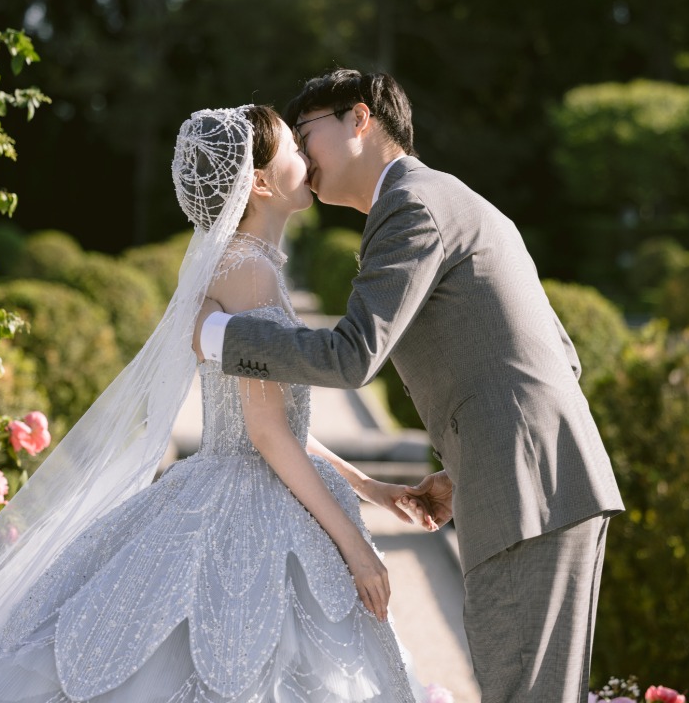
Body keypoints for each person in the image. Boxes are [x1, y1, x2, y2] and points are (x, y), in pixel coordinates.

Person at [0, 106, 431, 703]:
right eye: (295, 148)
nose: (307, 154)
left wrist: (374, 490)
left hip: (237, 476)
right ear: (262, 182)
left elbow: (276, 427)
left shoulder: (243, 265)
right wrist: (353, 544)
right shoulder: (252, 275)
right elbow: (269, 437)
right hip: (251, 489)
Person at [195, 71, 625, 703]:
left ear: (358, 119)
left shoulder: (409, 205)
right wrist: (469, 466)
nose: (301, 153)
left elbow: (351, 358)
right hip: (535, 482)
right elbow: (557, 354)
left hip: (526, 492)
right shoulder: (445, 196)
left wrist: (218, 338)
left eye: (305, 131)